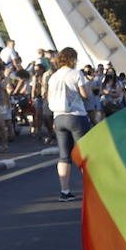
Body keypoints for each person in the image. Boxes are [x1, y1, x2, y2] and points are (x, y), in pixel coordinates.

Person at [47, 46, 91, 201]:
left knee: (64, 156)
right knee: (84, 154)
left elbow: (49, 97)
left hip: (59, 117)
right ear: (73, 59)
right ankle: (90, 190)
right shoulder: (76, 74)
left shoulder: (53, 76)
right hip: (76, 116)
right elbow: (86, 95)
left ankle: (65, 191)